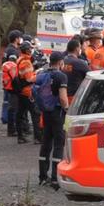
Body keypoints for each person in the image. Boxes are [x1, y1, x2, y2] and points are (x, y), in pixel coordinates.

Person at [37, 51, 69, 190]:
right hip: (57, 112)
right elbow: (62, 97)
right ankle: (56, 178)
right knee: (58, 144)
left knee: (46, 142)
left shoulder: (41, 75)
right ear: (61, 62)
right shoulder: (61, 76)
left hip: (45, 112)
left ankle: (43, 176)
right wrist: (67, 108)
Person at [16, 41, 38, 144]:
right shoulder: (26, 62)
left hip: (21, 90)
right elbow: (29, 79)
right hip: (28, 91)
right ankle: (38, 137)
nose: (31, 50)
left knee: (20, 113)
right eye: (30, 48)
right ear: (27, 50)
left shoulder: (20, 59)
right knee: (35, 114)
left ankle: (20, 136)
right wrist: (38, 75)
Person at [2, 53, 19, 137]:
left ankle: (11, 129)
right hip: (13, 89)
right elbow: (15, 78)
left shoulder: (5, 65)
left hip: (7, 88)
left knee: (10, 108)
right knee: (13, 109)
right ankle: (12, 130)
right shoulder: (12, 66)